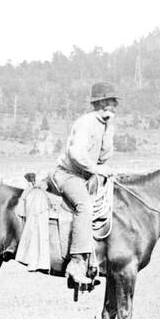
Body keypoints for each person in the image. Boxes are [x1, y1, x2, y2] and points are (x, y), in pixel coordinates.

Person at [49, 82, 120, 289]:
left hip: (85, 176)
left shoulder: (105, 125)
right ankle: (77, 262)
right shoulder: (86, 123)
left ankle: (96, 260)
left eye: (114, 102)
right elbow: (76, 153)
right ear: (101, 103)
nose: (115, 105)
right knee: (85, 206)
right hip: (67, 175)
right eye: (111, 101)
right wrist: (97, 170)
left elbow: (105, 156)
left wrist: (108, 130)